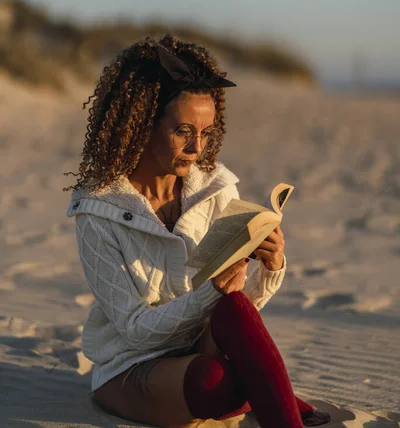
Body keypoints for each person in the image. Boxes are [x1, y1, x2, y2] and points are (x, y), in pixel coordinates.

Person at [65, 35, 330, 428]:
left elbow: (237, 320)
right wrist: (211, 292)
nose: (197, 148)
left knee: (235, 308)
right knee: (215, 384)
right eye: (183, 131)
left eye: (206, 133)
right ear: (141, 126)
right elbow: (137, 332)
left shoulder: (215, 188)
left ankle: (280, 410)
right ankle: (277, 395)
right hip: (134, 364)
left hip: (200, 344)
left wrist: (269, 268)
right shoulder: (97, 211)